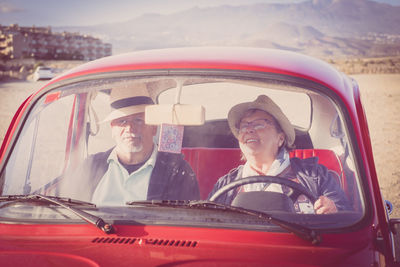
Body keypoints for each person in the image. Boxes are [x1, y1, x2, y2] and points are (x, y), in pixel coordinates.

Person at [56, 84, 200, 205]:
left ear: (153, 127)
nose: (130, 128)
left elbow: (185, 227)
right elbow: (70, 213)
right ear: (112, 129)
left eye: (138, 120)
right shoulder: (91, 166)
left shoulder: (177, 171)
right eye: (122, 121)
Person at [208, 95, 351, 214]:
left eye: (259, 124)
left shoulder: (315, 175)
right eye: (244, 125)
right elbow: (208, 225)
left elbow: (348, 218)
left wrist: (334, 210)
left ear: (280, 138)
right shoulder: (226, 184)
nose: (249, 130)